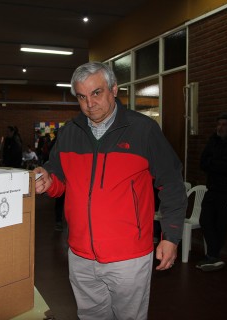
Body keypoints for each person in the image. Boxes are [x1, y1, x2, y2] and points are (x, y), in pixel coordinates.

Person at [33, 62, 187, 319]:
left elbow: (171, 183)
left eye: (96, 93)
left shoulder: (143, 130)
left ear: (114, 89)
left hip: (128, 256)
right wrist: (48, 182)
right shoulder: (70, 132)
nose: (89, 103)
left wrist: (171, 236)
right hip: (81, 255)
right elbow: (59, 179)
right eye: (82, 96)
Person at [196, 112, 227, 271]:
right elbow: (203, 163)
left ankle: (212, 256)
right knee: (205, 220)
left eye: (224, 124)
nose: (220, 127)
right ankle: (213, 256)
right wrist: (222, 164)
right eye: (219, 124)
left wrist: (218, 164)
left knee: (221, 224)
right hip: (213, 188)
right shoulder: (213, 140)